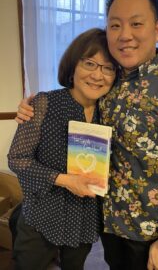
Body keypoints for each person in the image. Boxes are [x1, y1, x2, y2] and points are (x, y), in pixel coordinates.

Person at [15, 0, 158, 270]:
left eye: (136, 23)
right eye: (115, 25)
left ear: (157, 29)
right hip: (106, 221)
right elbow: (73, 98)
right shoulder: (112, 81)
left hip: (146, 232)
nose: (124, 34)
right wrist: (31, 109)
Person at [8, 28, 116, 270]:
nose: (98, 75)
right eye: (90, 63)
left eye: (108, 68)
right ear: (73, 65)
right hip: (42, 214)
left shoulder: (110, 114)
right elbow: (17, 159)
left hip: (85, 217)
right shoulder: (44, 103)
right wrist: (64, 179)